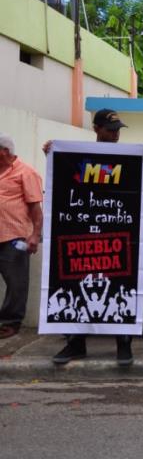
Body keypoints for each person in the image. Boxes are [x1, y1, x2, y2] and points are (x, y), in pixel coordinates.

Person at [48, 109, 143, 366]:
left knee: (121, 284)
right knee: (74, 284)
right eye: (110, 129)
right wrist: (52, 155)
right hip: (83, 238)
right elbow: (62, 181)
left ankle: (123, 344)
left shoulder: (128, 159)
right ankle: (75, 343)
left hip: (117, 238)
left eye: (118, 130)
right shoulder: (77, 157)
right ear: (96, 129)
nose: (115, 134)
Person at [0, 134, 42, 339]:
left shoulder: (26, 172)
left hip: (14, 237)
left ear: (4, 151)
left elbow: (35, 207)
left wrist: (35, 235)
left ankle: (10, 322)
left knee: (16, 282)